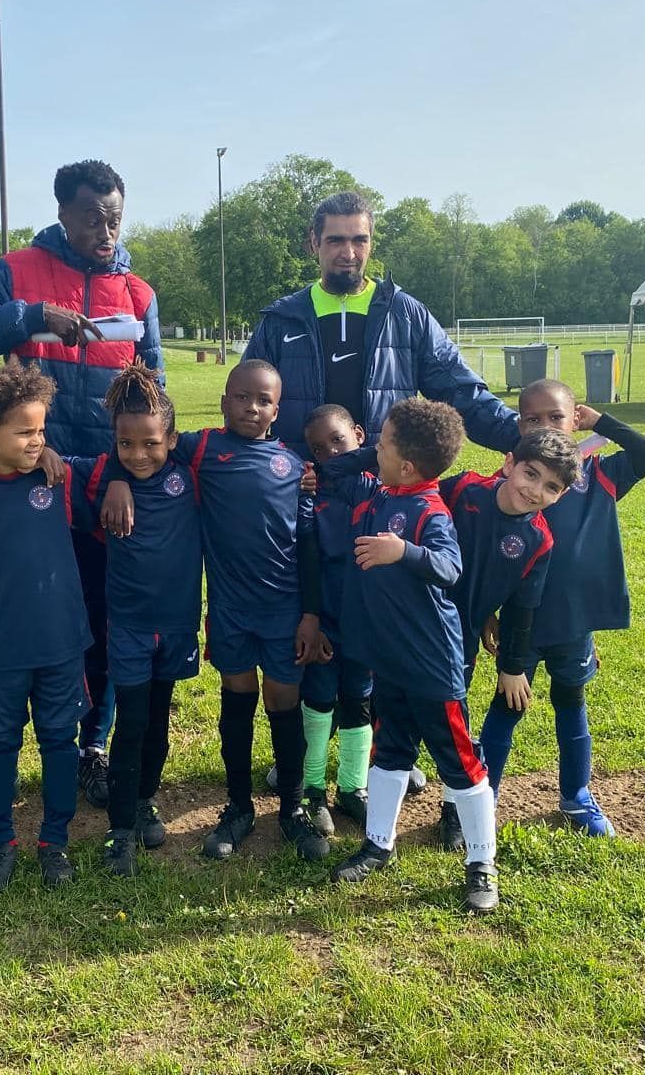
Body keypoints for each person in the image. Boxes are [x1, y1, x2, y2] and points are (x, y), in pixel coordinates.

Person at [0, 160, 164, 808]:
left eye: (115, 217)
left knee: (100, 621)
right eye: (92, 216)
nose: (105, 229)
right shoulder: (18, 271)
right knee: (16, 621)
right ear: (63, 213)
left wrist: (124, 475)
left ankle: (91, 745)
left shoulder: (139, 295)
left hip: (101, 492)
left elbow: (153, 400)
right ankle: (3, 750)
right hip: (25, 492)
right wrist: (32, 314)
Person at [318, 399, 498, 912]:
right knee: (389, 751)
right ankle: (378, 845)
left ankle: (482, 863)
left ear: (408, 466)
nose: (375, 447)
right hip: (388, 661)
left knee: (460, 763)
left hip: (431, 667)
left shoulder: (429, 510)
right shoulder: (384, 491)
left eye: (385, 442)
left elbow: (449, 568)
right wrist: (372, 455)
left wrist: (403, 552)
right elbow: (336, 467)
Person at [475, 379, 645, 838]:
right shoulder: (510, 485)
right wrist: (485, 613)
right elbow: (481, 559)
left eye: (556, 417)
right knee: (506, 708)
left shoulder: (597, 476)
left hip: (573, 626)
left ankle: (575, 796)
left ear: (575, 419)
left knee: (571, 702)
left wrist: (601, 422)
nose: (545, 426)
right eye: (533, 419)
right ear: (518, 427)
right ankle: (481, 798)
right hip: (522, 628)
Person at [172, 360, 329, 863]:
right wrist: (113, 482)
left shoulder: (292, 464)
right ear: (224, 401)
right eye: (242, 397)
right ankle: (238, 807)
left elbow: (307, 542)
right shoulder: (200, 449)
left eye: (263, 400)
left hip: (285, 613)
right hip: (231, 611)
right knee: (237, 702)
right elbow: (142, 447)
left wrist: (310, 614)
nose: (251, 407)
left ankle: (291, 810)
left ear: (276, 411)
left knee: (283, 705)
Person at [241, 190, 519, 460]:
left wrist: (524, 436)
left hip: (382, 488)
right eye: (335, 240)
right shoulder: (282, 319)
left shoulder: (405, 313)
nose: (348, 253)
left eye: (359, 240)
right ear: (315, 241)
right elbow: (246, 408)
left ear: (371, 242)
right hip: (303, 488)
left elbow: (461, 393)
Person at [0, 361, 92, 893]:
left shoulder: (59, 476)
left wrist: (50, 452)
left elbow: (121, 468)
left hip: (61, 641)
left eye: (42, 430)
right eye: (25, 432)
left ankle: (53, 841)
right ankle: (2, 842)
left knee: (60, 741)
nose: (37, 441)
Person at [65, 363, 203, 876]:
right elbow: (47, 460)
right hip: (127, 627)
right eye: (127, 445)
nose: (139, 454)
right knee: (132, 723)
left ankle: (145, 799)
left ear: (170, 438)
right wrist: (117, 478)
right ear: (114, 442)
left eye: (151, 443)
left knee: (158, 723)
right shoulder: (102, 473)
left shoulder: (191, 474)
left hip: (177, 625)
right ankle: (120, 830)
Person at [435, 430, 577, 849]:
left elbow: (522, 610)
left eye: (551, 487)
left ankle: (454, 808)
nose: (534, 490)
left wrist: (512, 666)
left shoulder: (539, 540)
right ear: (509, 462)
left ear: (562, 495)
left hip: (459, 639)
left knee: (454, 718)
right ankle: (383, 781)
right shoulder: (463, 489)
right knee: (391, 705)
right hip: (410, 621)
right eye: (530, 474)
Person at [293, 405, 377, 833]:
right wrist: (314, 619)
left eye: (339, 442)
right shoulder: (310, 494)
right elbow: (306, 558)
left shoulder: (378, 486)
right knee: (319, 700)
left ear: (359, 436)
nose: (330, 454)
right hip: (324, 621)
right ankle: (312, 790)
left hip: (365, 623)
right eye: (319, 449)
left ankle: (352, 788)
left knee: (359, 699)